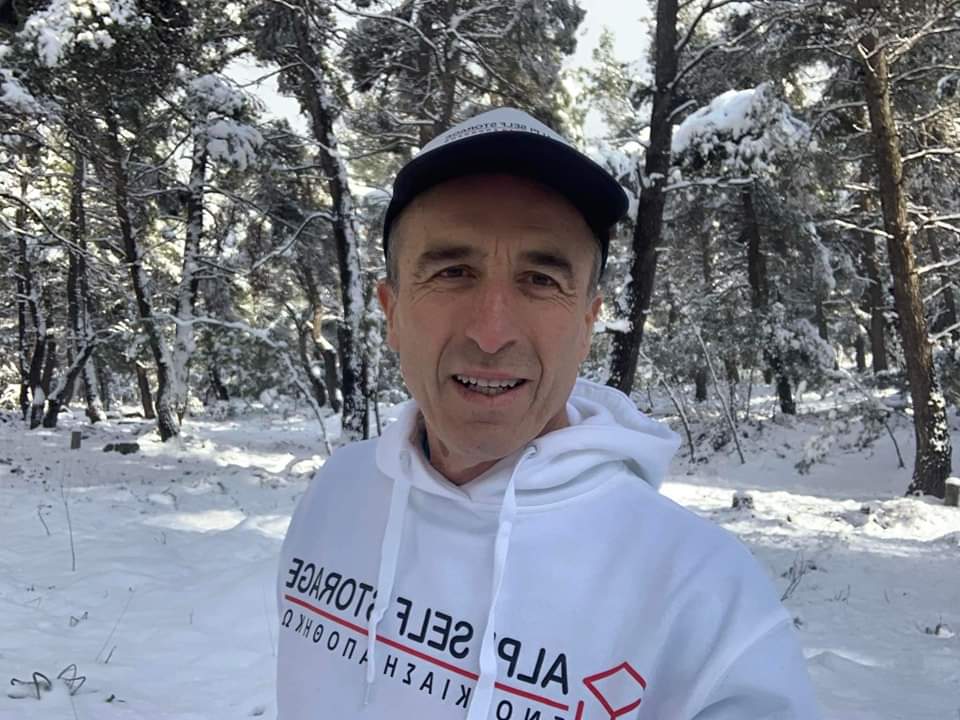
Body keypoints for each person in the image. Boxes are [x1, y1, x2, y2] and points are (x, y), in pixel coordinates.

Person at [276, 107, 822, 720]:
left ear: (587, 324)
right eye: (453, 272)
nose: (491, 333)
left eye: (540, 279)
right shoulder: (337, 493)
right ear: (392, 311)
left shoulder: (703, 598)